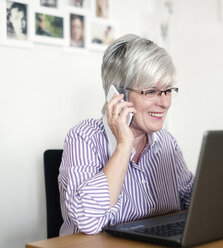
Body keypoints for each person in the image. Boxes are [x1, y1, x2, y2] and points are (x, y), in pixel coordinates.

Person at [58, 34, 194, 235]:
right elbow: (88, 221)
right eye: (151, 92)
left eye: (167, 91)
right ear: (117, 95)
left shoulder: (166, 142)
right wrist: (124, 145)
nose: (165, 103)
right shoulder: (84, 138)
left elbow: (192, 199)